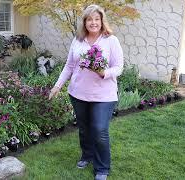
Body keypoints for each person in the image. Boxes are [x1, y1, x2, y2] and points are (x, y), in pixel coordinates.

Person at [48, 4, 123, 180]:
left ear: (102, 21)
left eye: (97, 19)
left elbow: (119, 67)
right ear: (84, 22)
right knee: (84, 129)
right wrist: (57, 86)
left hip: (104, 95)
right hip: (78, 93)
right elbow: (69, 66)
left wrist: (105, 73)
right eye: (89, 19)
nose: (93, 22)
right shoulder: (78, 40)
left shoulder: (111, 40)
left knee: (99, 130)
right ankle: (87, 155)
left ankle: (102, 167)